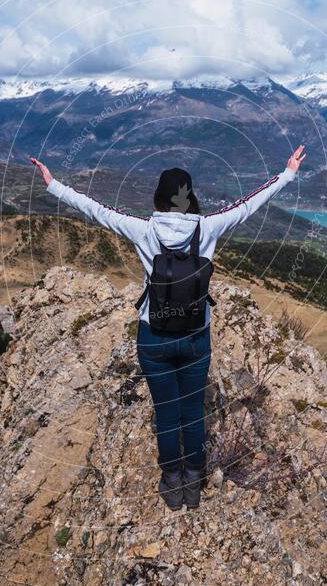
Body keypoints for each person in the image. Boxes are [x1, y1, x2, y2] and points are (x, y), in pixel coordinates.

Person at [31, 145, 306, 510]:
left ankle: (171, 482)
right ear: (190, 198)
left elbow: (96, 210)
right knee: (193, 410)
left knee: (166, 412)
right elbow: (249, 204)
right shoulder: (208, 227)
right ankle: (194, 481)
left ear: (159, 198)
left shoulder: (144, 230)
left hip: (154, 335)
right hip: (195, 336)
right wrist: (287, 173)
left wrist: (54, 184)